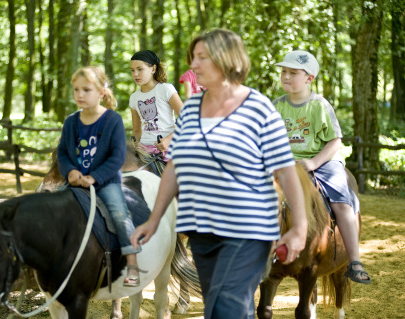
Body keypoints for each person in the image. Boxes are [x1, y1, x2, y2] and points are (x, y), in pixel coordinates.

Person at [130, 29, 308, 319]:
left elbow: (286, 171)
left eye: (202, 58)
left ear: (227, 61)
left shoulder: (259, 108)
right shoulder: (191, 111)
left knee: (225, 309)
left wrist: (299, 227)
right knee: (223, 305)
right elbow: (174, 167)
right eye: (193, 58)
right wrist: (153, 220)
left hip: (248, 229)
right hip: (201, 230)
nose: (194, 66)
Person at [273, 50, 371, 285]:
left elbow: (335, 141)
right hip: (286, 163)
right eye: (283, 71)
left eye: (292, 72)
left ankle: (354, 260)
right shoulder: (275, 106)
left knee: (340, 201)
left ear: (309, 78)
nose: (285, 76)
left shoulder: (319, 106)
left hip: (321, 162)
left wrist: (314, 162)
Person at [57, 66, 142, 287]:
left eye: (86, 89)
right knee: (52, 209)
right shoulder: (71, 122)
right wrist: (71, 172)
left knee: (119, 213)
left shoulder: (112, 120)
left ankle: (132, 262)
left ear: (101, 92)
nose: (80, 95)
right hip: (75, 182)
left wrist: (94, 177)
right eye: (76, 90)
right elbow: (63, 153)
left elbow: (117, 157)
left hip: (106, 182)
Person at [129, 50, 183, 158]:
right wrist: (130, 149)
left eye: (140, 69)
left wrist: (168, 140)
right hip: (144, 151)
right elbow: (136, 131)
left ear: (153, 69)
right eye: (132, 70)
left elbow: (187, 119)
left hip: (169, 148)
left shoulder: (165, 89)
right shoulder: (134, 97)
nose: (135, 74)